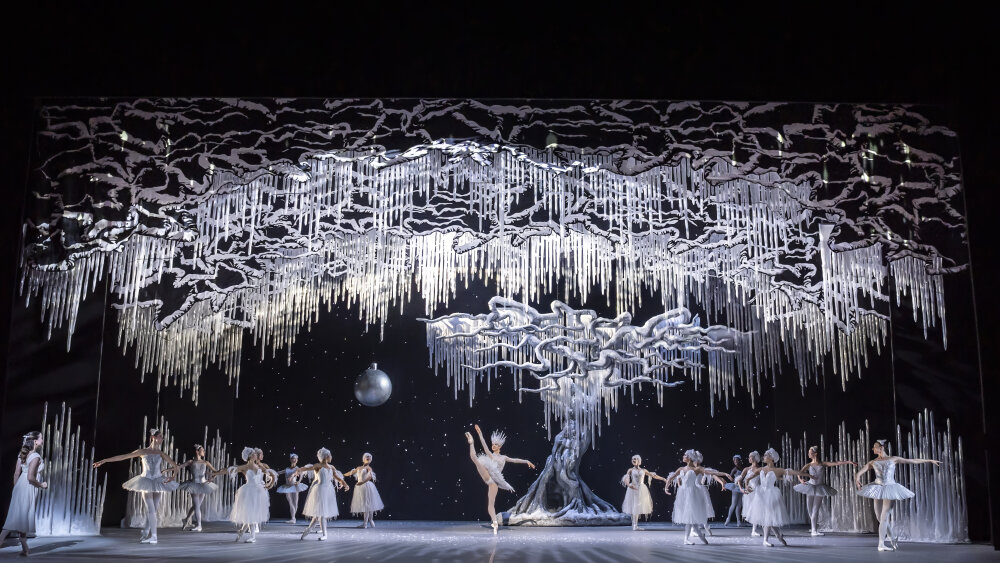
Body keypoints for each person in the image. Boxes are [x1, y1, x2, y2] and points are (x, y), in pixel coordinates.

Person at [93, 428, 179, 544]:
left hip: (159, 481)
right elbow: (123, 456)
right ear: (153, 437)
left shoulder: (161, 453)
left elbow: (175, 466)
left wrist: (173, 477)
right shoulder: (142, 451)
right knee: (151, 510)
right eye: (160, 436)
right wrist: (105, 460)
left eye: (162, 437)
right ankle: (154, 536)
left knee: (153, 510)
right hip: (146, 480)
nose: (162, 439)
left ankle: (147, 531)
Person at [855, 439, 940, 552]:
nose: (873, 449)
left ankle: (881, 544)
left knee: (884, 517)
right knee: (879, 517)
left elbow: (913, 461)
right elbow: (860, 471)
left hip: (891, 488)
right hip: (878, 487)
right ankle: (893, 537)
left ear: (881, 448)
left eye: (875, 447)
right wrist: (857, 479)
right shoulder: (872, 462)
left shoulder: (893, 459)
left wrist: (929, 460)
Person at [465, 424, 535, 534]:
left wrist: (526, 461)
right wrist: (480, 434)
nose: (493, 446)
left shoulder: (503, 458)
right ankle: (471, 442)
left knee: (490, 504)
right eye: (492, 444)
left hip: (494, 483)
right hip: (488, 475)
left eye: (495, 444)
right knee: (475, 459)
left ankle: (495, 523)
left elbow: (515, 460)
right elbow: (484, 445)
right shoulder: (490, 455)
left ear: (499, 447)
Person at [744, 448, 809, 547]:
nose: (764, 457)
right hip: (761, 494)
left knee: (769, 517)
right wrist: (746, 485)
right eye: (764, 455)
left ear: (771, 458)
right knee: (768, 517)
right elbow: (748, 478)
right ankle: (774, 537)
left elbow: (794, 473)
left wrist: (808, 475)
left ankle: (775, 537)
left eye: (766, 455)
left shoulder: (776, 470)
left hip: (771, 494)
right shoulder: (761, 469)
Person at [663, 450, 730, 544]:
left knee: (691, 518)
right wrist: (666, 488)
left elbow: (710, 472)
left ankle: (692, 538)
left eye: (685, 455)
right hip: (683, 494)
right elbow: (671, 477)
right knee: (690, 518)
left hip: (692, 494)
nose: (683, 456)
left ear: (689, 458)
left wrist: (724, 474)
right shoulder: (681, 469)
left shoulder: (697, 469)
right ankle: (698, 537)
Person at [0, 432, 48, 556]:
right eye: (41, 438)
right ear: (35, 441)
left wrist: (16, 489)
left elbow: (16, 473)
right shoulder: (36, 456)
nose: (42, 440)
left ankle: (25, 549)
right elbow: (31, 477)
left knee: (19, 516)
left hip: (19, 486)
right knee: (18, 516)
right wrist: (41, 485)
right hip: (28, 487)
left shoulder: (23, 453)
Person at [793, 445, 855, 536]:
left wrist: (848, 462)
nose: (808, 454)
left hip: (820, 487)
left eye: (810, 453)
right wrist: (801, 480)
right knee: (810, 510)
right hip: (809, 486)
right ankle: (813, 528)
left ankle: (814, 530)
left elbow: (836, 463)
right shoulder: (809, 465)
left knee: (815, 509)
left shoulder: (823, 464)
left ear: (815, 454)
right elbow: (799, 472)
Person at [296, 447, 349, 541]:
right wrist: (299, 470)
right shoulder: (318, 466)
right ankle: (311, 530)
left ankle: (319, 533)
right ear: (326, 456)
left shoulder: (331, 467)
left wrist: (344, 484)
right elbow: (308, 468)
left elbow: (337, 477)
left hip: (328, 492)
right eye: (330, 455)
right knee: (318, 515)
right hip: (320, 490)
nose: (331, 457)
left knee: (321, 514)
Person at [227, 447, 273, 543]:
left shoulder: (260, 466)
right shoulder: (245, 467)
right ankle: (252, 536)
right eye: (254, 454)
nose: (256, 455)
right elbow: (231, 470)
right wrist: (215, 473)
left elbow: (272, 474)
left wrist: (269, 484)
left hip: (258, 492)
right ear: (250, 456)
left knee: (251, 513)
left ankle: (241, 532)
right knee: (250, 513)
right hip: (248, 491)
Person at [177, 444, 220, 532]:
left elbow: (216, 472)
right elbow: (179, 467)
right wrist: (169, 470)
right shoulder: (191, 462)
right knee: (197, 506)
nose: (204, 451)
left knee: (197, 506)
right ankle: (199, 525)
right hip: (194, 484)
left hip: (203, 484)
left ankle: (186, 519)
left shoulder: (206, 462)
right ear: (197, 451)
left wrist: (212, 478)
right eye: (202, 450)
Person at [620, 454, 667, 530]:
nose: (633, 460)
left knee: (638, 506)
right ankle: (634, 525)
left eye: (635, 459)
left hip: (641, 489)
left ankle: (635, 525)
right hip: (633, 488)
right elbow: (626, 478)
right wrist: (629, 485)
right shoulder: (630, 470)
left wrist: (663, 479)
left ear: (639, 460)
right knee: (634, 506)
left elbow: (653, 476)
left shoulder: (644, 470)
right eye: (632, 459)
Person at [346, 453, 384, 528]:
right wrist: (341, 475)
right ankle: (369, 521)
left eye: (370, 457)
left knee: (368, 504)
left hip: (366, 486)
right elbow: (351, 473)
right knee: (366, 504)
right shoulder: (359, 468)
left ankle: (367, 522)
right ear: (363, 458)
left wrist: (362, 483)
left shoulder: (368, 468)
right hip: (360, 487)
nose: (368, 457)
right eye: (367, 456)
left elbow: (369, 477)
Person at [276, 453, 308, 524]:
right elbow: (280, 472)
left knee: (295, 502)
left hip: (295, 486)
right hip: (287, 486)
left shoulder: (297, 468)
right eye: (293, 458)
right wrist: (272, 473)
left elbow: (301, 475)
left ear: (297, 460)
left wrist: (299, 482)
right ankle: (293, 518)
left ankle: (293, 518)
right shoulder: (287, 469)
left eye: (295, 459)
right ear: (290, 459)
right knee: (290, 502)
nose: (294, 460)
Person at [723, 454, 744, 526]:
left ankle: (738, 521)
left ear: (739, 460)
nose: (735, 461)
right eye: (734, 460)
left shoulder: (743, 469)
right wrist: (733, 480)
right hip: (735, 487)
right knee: (734, 504)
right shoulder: (734, 469)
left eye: (736, 460)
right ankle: (728, 519)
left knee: (739, 505)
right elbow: (730, 476)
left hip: (741, 487)